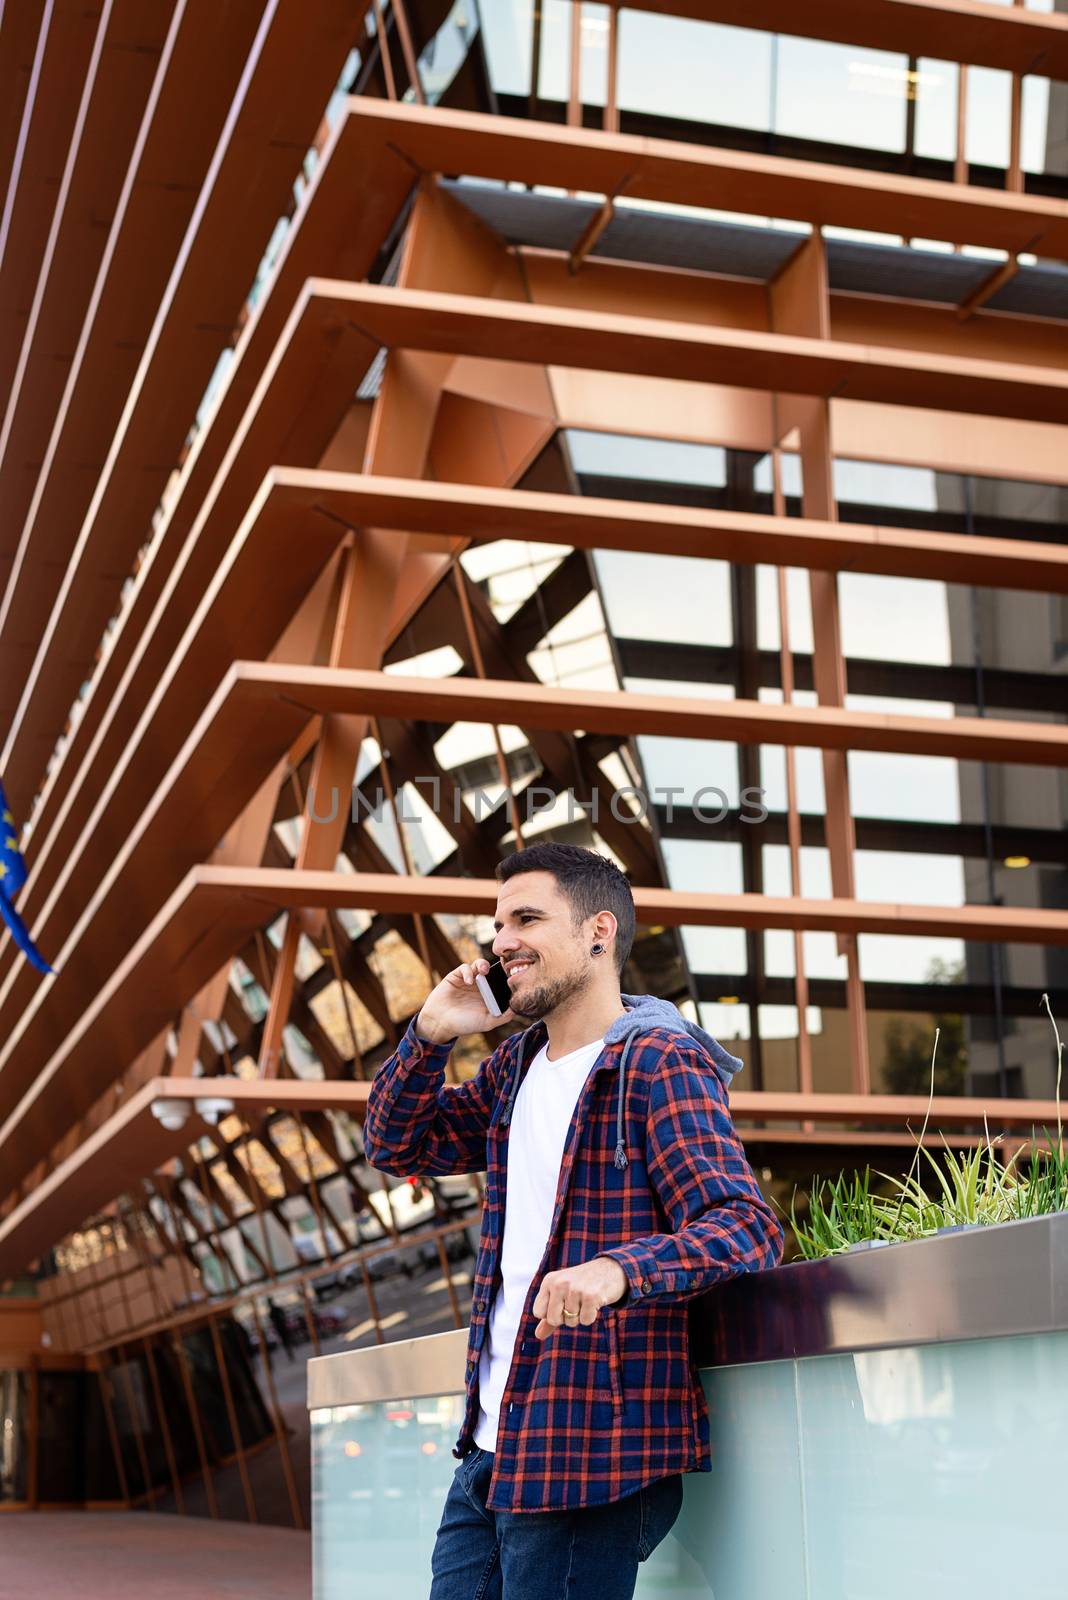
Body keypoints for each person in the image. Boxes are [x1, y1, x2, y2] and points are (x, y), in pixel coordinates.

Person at [363, 843, 783, 1600]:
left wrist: (620, 1269)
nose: (501, 942)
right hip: (493, 1447)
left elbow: (745, 1224)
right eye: (497, 926)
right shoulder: (516, 1066)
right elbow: (398, 1145)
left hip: (587, 1454)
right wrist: (430, 1036)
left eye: (527, 918)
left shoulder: (657, 1062)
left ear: (598, 932)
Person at [267, 1297, 296, 1363]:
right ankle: (290, 1353)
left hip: (281, 1327)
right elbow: (282, 1316)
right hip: (281, 1327)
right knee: (286, 1341)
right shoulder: (274, 1310)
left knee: (286, 1340)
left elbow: (282, 1316)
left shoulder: (274, 1310)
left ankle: (290, 1352)